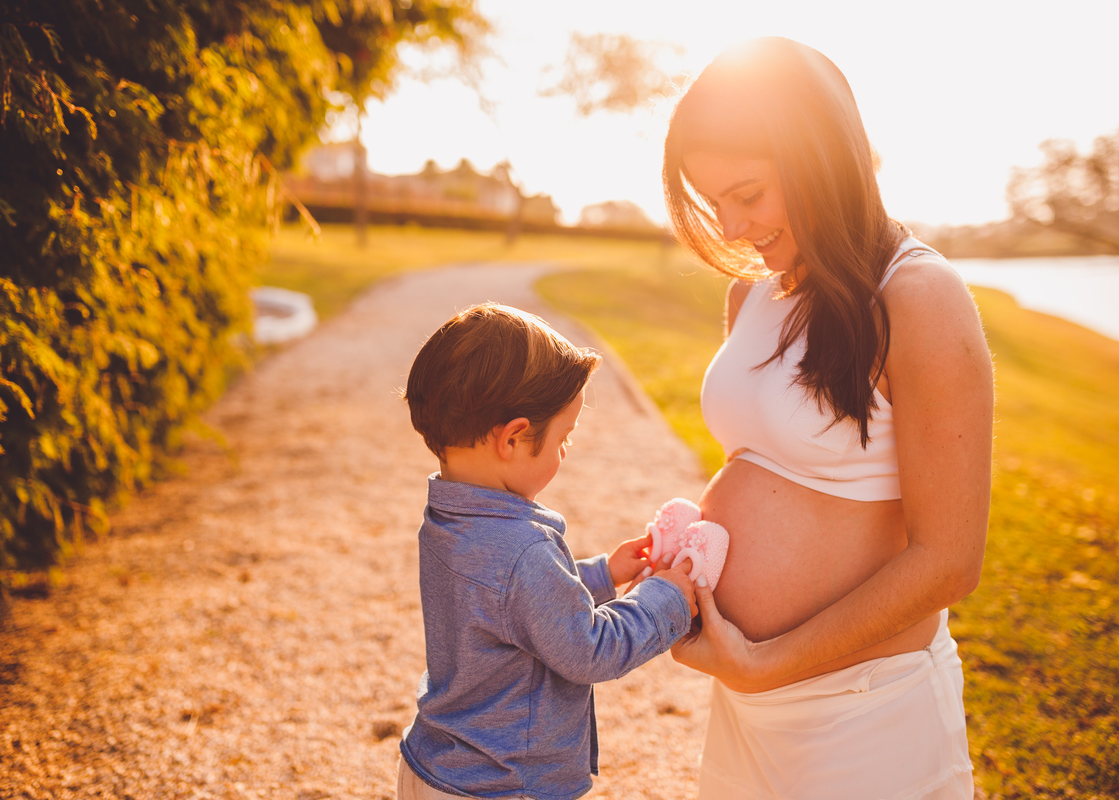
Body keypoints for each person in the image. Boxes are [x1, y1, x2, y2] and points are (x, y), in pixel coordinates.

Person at [658, 38, 994, 799]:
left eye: (748, 194)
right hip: (750, 710)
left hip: (864, 713)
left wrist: (768, 660)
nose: (733, 227)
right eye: (714, 203)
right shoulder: (753, 296)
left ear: (819, 155)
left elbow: (949, 560)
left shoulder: (918, 297)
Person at [397, 302, 698, 800]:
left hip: (435, 766)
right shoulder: (523, 550)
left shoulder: (447, 518)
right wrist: (664, 599)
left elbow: (508, 606)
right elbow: (588, 650)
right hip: (503, 784)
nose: (565, 452)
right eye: (564, 439)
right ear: (513, 437)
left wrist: (603, 574)